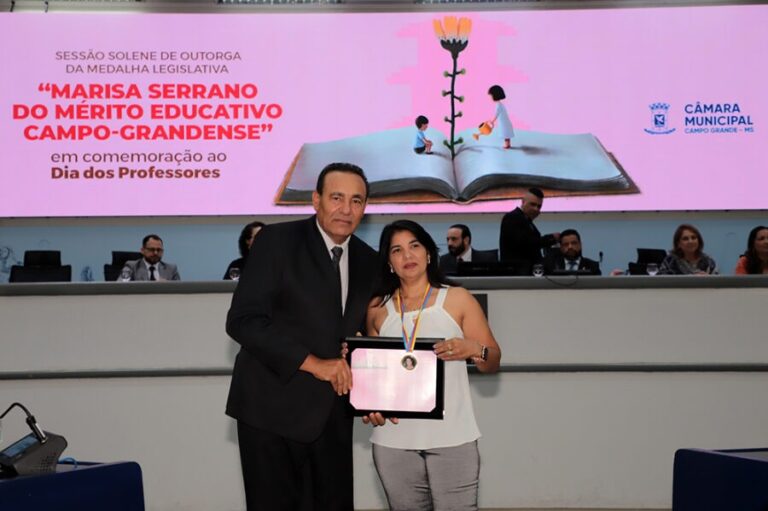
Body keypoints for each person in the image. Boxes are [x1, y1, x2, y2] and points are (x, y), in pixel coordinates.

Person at [225, 162, 379, 511]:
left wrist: (379, 395)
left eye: (356, 200)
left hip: (332, 419)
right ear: (316, 200)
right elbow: (243, 321)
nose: (346, 209)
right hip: (270, 411)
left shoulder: (370, 261)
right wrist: (314, 364)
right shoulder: (276, 241)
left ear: (365, 208)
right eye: (337, 197)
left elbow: (366, 333)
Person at [365, 219, 501, 511]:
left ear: (428, 253)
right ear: (389, 263)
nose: (407, 255)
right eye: (397, 250)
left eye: (414, 246)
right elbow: (374, 376)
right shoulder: (377, 308)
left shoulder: (458, 298)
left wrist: (474, 349)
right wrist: (370, 404)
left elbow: (493, 361)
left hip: (452, 436)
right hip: (393, 440)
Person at [499, 187, 560, 274]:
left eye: (539, 206)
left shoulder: (526, 221)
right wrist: (551, 238)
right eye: (532, 204)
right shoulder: (512, 218)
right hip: (516, 273)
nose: (536, 209)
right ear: (523, 202)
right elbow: (525, 244)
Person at [485, 84, 514, 149]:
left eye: (491, 95)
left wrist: (492, 121)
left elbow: (496, 114)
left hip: (504, 123)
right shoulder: (500, 104)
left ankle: (507, 145)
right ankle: (508, 144)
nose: (490, 97)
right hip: (504, 122)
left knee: (505, 133)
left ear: (495, 95)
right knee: (506, 133)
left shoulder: (498, 105)